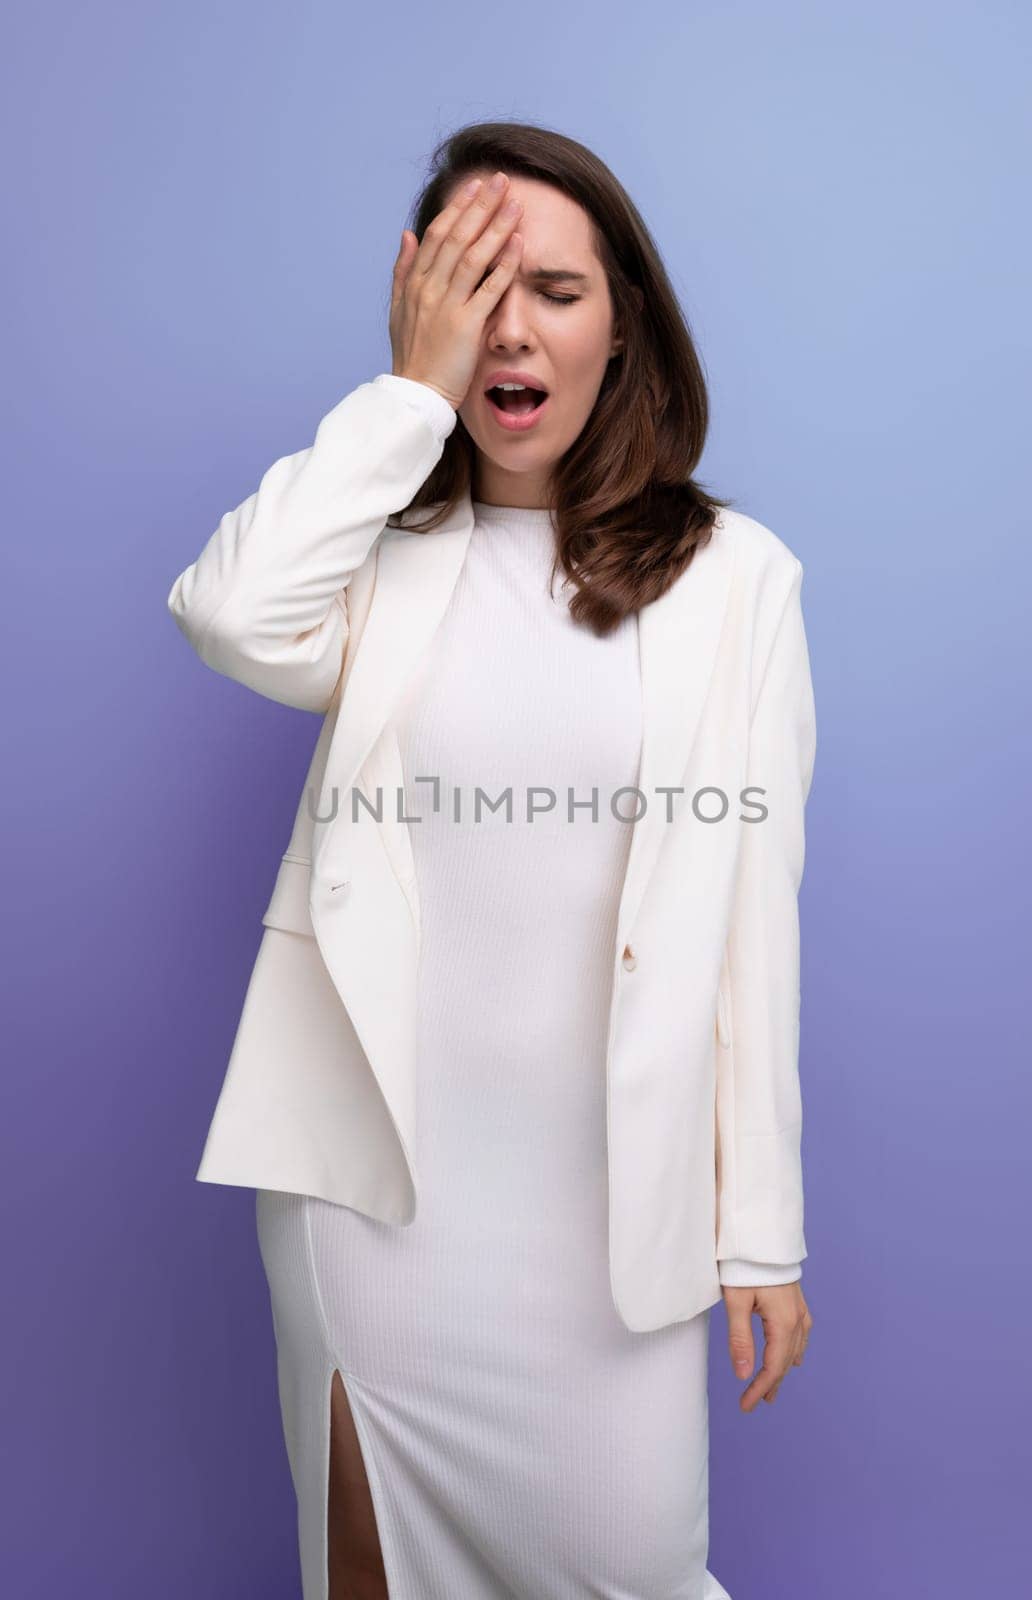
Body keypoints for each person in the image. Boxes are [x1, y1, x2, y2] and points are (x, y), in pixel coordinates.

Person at [168, 121, 815, 1600]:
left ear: (625, 328)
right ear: (424, 304)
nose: (513, 326)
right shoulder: (376, 559)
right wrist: (407, 394)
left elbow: (748, 933)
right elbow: (226, 616)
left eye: (560, 290)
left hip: (612, 1226)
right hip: (378, 1210)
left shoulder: (738, 582)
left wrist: (759, 1234)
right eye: (476, 283)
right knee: (366, 1574)